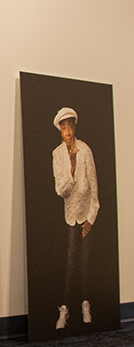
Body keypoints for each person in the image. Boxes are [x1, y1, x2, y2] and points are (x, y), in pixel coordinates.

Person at [52, 108, 99, 329]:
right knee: (71, 262)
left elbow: (94, 187)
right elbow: (60, 191)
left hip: (86, 216)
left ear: (75, 126)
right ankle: (65, 310)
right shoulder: (57, 154)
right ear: (59, 130)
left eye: (71, 125)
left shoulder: (86, 150)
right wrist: (70, 168)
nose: (68, 131)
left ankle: (85, 305)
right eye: (64, 127)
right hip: (70, 216)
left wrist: (91, 218)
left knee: (86, 261)